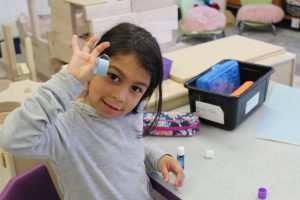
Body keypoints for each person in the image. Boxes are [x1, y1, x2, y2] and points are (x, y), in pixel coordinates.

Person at [0, 23, 184, 200]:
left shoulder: (131, 113)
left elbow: (127, 153)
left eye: (136, 88)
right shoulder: (67, 125)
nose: (120, 96)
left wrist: (158, 158)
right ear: (94, 68)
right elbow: (11, 138)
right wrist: (67, 81)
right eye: (113, 76)